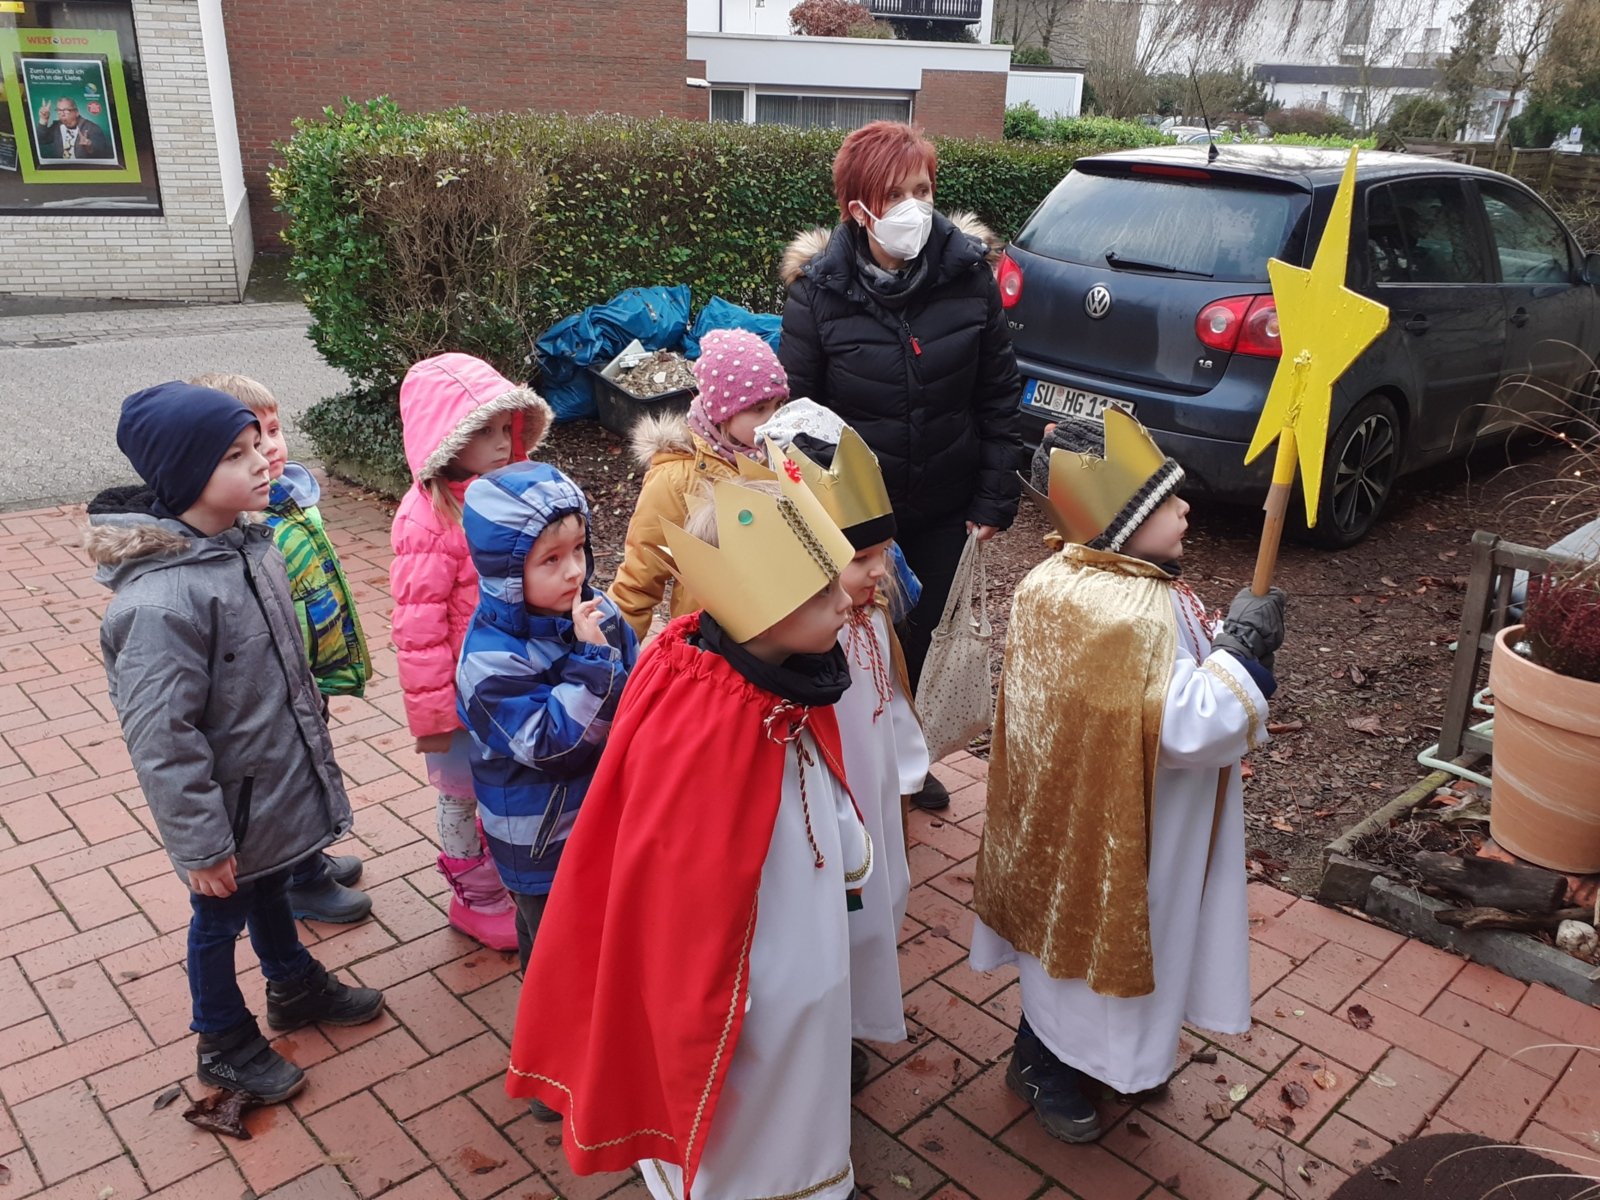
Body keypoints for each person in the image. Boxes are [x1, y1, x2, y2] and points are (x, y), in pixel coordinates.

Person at [505, 472, 869, 1200]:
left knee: (803, 1047)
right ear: (760, 609)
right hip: (746, 959)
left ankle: (811, 1178)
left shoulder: (785, 674)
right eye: (823, 590)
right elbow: (682, 876)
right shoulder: (702, 708)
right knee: (747, 1076)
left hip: (801, 933)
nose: (848, 598)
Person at [968, 410, 1288, 1143]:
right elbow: (1183, 727)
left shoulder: (1096, 580)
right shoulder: (1112, 610)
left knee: (1085, 954)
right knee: (1086, 953)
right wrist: (1242, 650)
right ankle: (1046, 1061)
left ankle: (1106, 1062)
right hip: (1116, 823)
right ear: (1119, 520)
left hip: (1098, 811)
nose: (1186, 509)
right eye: (1163, 501)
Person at [86, 383, 385, 1103]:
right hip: (227, 805)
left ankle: (293, 984)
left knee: (274, 878)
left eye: (258, 446)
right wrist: (200, 845)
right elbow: (161, 738)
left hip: (268, 781)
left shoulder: (247, 548)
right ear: (188, 475)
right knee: (218, 913)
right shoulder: (159, 604)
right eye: (235, 454)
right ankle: (221, 1039)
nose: (262, 463)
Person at [778, 118, 1023, 811]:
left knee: (923, 642)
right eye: (895, 194)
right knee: (859, 641)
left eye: (923, 188)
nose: (915, 206)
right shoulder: (819, 295)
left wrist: (992, 498)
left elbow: (999, 394)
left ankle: (910, 761)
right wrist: (828, 514)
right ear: (857, 209)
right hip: (858, 518)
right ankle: (856, 760)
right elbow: (800, 414)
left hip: (946, 504)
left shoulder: (968, 278)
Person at [455, 460, 638, 1118]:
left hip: (598, 819)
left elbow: (635, 689)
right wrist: (592, 662)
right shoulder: (488, 663)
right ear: (507, 575)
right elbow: (553, 747)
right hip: (538, 840)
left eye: (579, 550)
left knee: (591, 938)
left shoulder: (594, 614)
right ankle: (550, 1069)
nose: (573, 572)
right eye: (550, 559)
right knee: (554, 953)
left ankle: (587, 1043)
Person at [756, 400, 928, 1085]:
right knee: (829, 917)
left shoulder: (868, 612)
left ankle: (851, 1018)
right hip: (820, 812)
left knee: (874, 901)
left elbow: (889, 694)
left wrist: (904, 765)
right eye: (861, 558)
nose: (879, 573)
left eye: (883, 554)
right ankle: (822, 1036)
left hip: (871, 794)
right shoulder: (788, 640)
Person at [192, 373, 373, 925]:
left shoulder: (288, 496)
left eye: (272, 431)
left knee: (312, 762)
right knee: (288, 778)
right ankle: (300, 878)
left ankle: (309, 855)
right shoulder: (244, 520)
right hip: (276, 680)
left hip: (307, 669)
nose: (268, 450)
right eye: (246, 445)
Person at [391, 352, 552, 951]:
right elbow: (418, 625)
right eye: (480, 431)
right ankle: (474, 894)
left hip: (513, 678)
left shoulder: (517, 491)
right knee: (461, 794)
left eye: (504, 427)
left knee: (507, 784)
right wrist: (434, 717)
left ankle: (512, 877)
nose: (500, 442)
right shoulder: (429, 517)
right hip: (462, 691)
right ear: (444, 440)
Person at [609, 328, 788, 640]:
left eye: (778, 405)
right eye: (759, 409)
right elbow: (640, 577)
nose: (772, 420)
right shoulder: (677, 477)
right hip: (708, 644)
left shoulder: (776, 459)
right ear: (723, 413)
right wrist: (612, 660)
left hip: (777, 637)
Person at [35, 97, 110, 160]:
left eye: (66, 110)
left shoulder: (92, 128)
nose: (62, 114)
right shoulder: (56, 126)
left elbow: (103, 153)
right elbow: (41, 140)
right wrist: (43, 119)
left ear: (76, 112)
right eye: (59, 110)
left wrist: (89, 146)